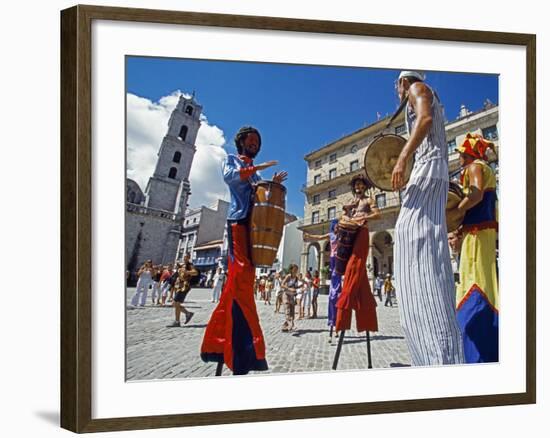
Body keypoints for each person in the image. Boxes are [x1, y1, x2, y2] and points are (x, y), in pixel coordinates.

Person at [201, 126, 287, 375]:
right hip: (238, 221)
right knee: (241, 276)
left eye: (257, 141)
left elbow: (259, 194)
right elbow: (231, 177)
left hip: (254, 225)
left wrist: (272, 184)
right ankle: (246, 345)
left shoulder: (255, 175)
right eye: (251, 140)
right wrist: (257, 170)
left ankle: (219, 343)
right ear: (241, 142)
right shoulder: (232, 160)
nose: (254, 144)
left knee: (241, 281)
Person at [391, 70, 464, 366]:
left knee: (412, 235)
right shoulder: (421, 93)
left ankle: (437, 352)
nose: (397, 93)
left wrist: (401, 157)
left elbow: (425, 120)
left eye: (396, 87)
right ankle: (430, 350)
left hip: (429, 168)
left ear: (401, 83)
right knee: (419, 241)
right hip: (430, 171)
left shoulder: (418, 88)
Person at [448, 133, 499, 363]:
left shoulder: (474, 166)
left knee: (473, 281)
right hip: (482, 233)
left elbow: (476, 194)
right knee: (487, 282)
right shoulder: (486, 168)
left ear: (468, 153)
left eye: (460, 153)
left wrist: (457, 210)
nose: (458, 157)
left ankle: (478, 350)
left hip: (477, 236)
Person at [335, 175, 380, 334]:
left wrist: (363, 217)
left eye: (361, 186)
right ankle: (366, 320)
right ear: (354, 187)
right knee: (357, 275)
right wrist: (347, 209)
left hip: (362, 232)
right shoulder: (351, 201)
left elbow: (377, 214)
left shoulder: (369, 201)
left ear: (364, 187)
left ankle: (344, 312)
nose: (359, 188)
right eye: (357, 186)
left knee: (354, 266)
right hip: (350, 233)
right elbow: (343, 217)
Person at [166, 253, 198, 327]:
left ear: (189, 258)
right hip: (178, 285)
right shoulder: (182, 265)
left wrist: (186, 272)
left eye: (186, 257)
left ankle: (177, 321)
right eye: (184, 257)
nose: (185, 258)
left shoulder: (190, 265)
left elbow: (195, 272)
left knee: (176, 303)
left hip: (184, 286)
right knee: (175, 303)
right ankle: (187, 314)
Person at [281, 264, 300, 332]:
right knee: (287, 310)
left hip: (292, 296)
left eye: (296, 269)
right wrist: (289, 288)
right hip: (286, 295)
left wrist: (301, 287)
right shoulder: (288, 276)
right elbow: (282, 285)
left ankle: (284, 326)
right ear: (291, 270)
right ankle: (292, 325)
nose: (296, 271)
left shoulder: (296, 278)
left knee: (292, 312)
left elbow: (294, 287)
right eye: (294, 269)